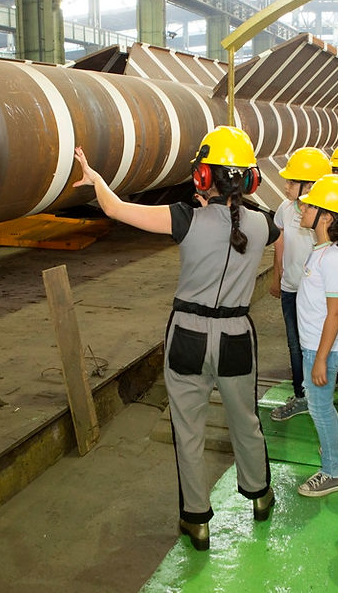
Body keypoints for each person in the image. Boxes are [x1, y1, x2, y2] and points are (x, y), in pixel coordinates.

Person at [73, 126, 278, 551]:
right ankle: (260, 496)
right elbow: (263, 217)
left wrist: (95, 179)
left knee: (188, 429)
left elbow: (116, 208)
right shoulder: (263, 225)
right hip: (238, 334)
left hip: (188, 333)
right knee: (246, 420)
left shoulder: (185, 218)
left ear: (203, 178)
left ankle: (197, 520)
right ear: (250, 179)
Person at [294, 175, 338, 497]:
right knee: (323, 406)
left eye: (309, 204)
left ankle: (333, 472)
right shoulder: (322, 251)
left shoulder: (333, 259)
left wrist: (320, 358)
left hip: (323, 348)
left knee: (319, 408)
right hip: (318, 345)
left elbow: (335, 313)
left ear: (327, 217)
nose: (301, 207)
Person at [270, 147, 332, 423]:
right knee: (294, 344)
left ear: (311, 185)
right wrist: (277, 276)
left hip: (314, 296)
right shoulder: (285, 208)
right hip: (290, 288)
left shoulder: (323, 215)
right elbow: (280, 242)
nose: (286, 186)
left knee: (315, 346)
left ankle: (317, 394)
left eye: (293, 182)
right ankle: (301, 394)